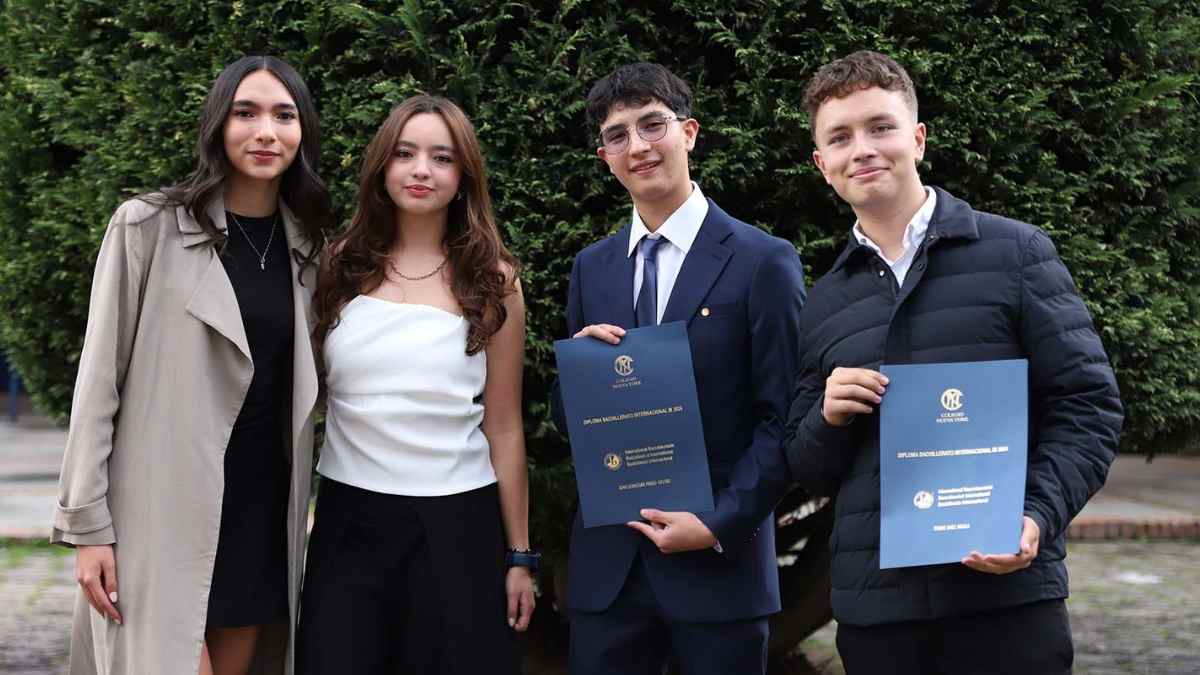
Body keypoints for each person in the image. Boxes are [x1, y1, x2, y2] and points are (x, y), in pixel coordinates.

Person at [783, 50, 1123, 674]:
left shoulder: (1016, 252)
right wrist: (827, 419)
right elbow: (809, 468)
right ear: (822, 164)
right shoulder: (825, 299)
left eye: (880, 127)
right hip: (879, 614)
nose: (862, 149)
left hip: (1006, 599)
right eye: (840, 137)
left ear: (916, 138)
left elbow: (1088, 406)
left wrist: (1037, 515)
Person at [51, 56, 331, 674]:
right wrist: (87, 527)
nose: (266, 131)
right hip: (156, 508)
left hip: (262, 508)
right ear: (217, 125)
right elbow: (98, 384)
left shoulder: (312, 250)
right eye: (246, 113)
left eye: (284, 116)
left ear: (302, 132)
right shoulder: (148, 226)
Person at [553, 62, 805, 675]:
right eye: (618, 135)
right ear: (604, 156)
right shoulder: (593, 268)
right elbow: (569, 424)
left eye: (652, 125)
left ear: (689, 132)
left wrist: (718, 523)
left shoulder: (763, 261)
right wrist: (581, 374)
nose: (637, 146)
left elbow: (784, 418)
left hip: (719, 569)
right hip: (609, 572)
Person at [297, 94, 534, 674]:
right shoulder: (336, 266)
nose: (421, 169)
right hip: (349, 520)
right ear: (383, 168)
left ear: (463, 175)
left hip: (459, 525)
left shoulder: (494, 280)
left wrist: (521, 555)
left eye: (441, 157)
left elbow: (502, 424)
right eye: (405, 154)